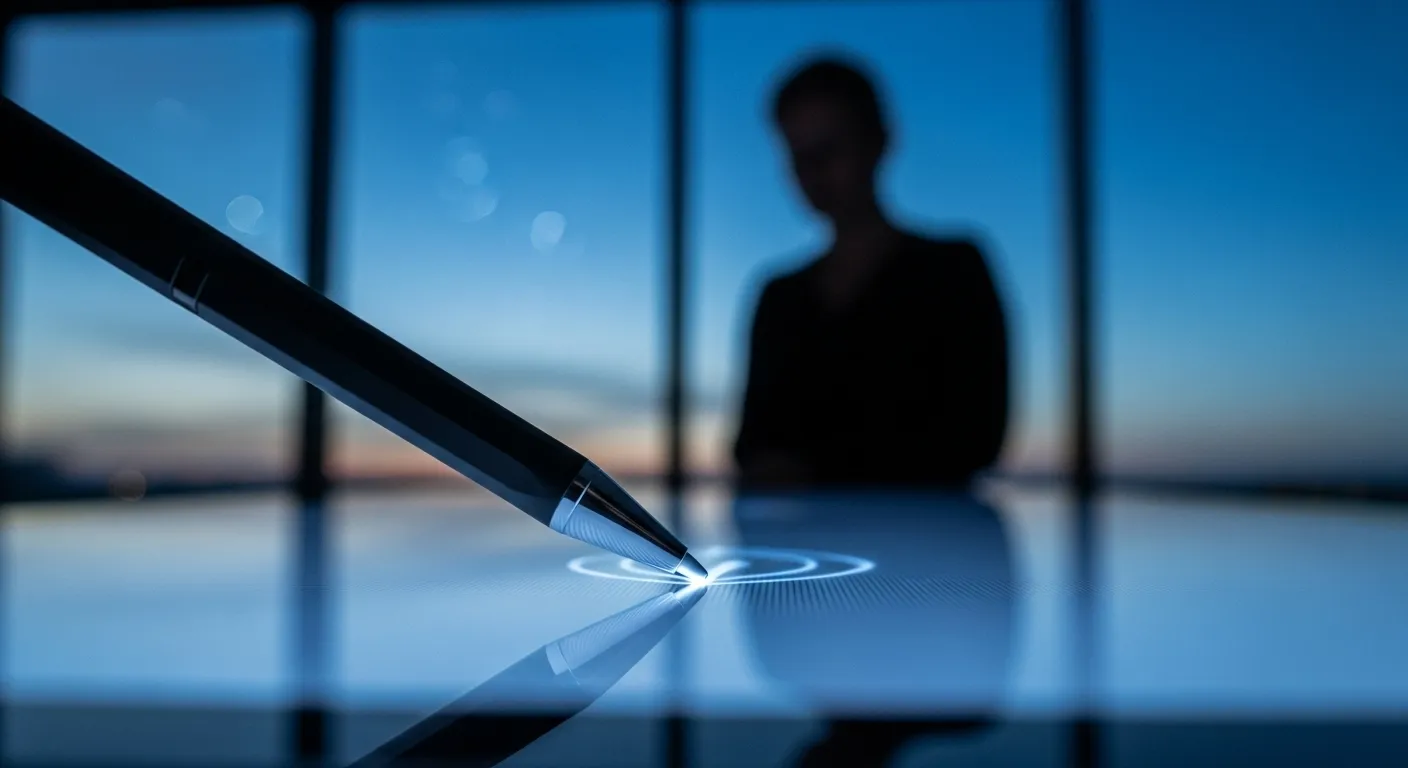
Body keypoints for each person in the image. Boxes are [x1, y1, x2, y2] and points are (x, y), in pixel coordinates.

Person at [733, 54, 1010, 492]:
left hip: (931, 535)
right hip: (812, 539)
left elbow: (976, 435)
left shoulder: (954, 272)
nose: (814, 172)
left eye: (830, 148)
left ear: (879, 141)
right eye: (799, 155)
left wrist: (808, 467)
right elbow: (750, 444)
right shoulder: (778, 296)